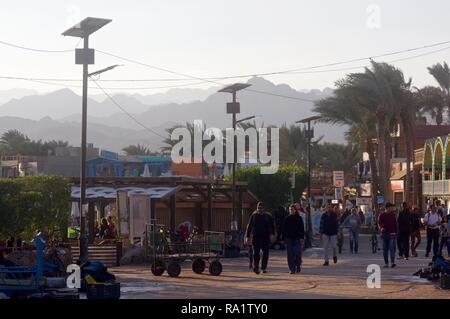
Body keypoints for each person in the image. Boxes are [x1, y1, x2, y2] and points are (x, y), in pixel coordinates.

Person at [245, 202, 275, 274]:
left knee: (265, 253)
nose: (259, 209)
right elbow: (249, 226)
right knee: (256, 253)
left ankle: (263, 267)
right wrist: (247, 236)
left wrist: (272, 234)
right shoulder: (254, 215)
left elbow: (272, 226)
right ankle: (256, 267)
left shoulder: (267, 216)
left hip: (265, 237)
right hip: (256, 236)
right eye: (258, 208)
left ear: (264, 208)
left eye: (261, 208)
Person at [282, 204, 305, 274]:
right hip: (289, 239)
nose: (291, 211)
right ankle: (292, 269)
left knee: (296, 253)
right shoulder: (287, 219)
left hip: (297, 238)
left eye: (292, 209)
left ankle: (298, 265)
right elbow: (284, 229)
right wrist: (283, 238)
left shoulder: (299, 218)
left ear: (295, 210)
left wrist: (302, 238)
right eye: (290, 210)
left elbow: (302, 229)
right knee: (290, 254)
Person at [378, 203, 397, 268]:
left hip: (392, 234)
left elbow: (395, 224)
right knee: (385, 249)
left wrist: (396, 232)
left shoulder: (393, 215)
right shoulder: (382, 215)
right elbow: (379, 223)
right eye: (391, 207)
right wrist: (382, 228)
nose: (392, 209)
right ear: (387, 208)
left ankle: (392, 262)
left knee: (392, 249)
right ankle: (386, 263)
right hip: (384, 234)